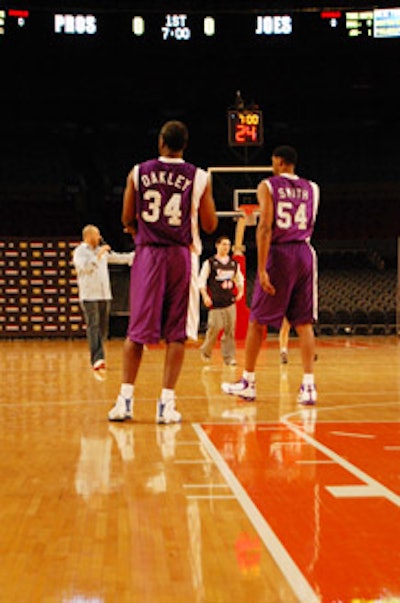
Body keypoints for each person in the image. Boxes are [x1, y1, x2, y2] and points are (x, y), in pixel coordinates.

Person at [108, 120, 218, 423]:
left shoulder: (138, 172)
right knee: (177, 334)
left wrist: (136, 231)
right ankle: (166, 405)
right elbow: (210, 225)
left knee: (136, 333)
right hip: (180, 257)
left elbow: (126, 216)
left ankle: (125, 401)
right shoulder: (199, 177)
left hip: (148, 255)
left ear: (160, 142)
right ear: (185, 144)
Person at [222, 145, 320, 406]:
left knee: (257, 321)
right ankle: (309, 386)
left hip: (281, 253)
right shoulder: (313, 187)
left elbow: (265, 226)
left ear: (279, 161)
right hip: (305, 252)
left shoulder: (268, 185)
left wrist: (263, 267)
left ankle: (248, 382)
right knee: (303, 322)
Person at [73, 224, 134, 373]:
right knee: (93, 326)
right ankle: (97, 359)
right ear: (89, 236)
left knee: (102, 328)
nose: (99, 238)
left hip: (104, 294)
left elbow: (118, 258)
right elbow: (84, 268)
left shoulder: (100, 252)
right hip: (89, 296)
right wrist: (99, 254)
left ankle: (100, 357)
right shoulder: (80, 252)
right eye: (97, 235)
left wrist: (137, 254)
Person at [198, 235, 244, 366]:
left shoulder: (234, 264)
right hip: (215, 302)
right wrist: (205, 296)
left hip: (229, 301)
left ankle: (229, 358)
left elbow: (239, 279)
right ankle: (206, 350)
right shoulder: (210, 263)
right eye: (223, 244)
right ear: (217, 245)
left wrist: (240, 291)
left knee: (229, 330)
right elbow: (201, 281)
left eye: (228, 245)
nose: (226, 247)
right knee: (215, 327)